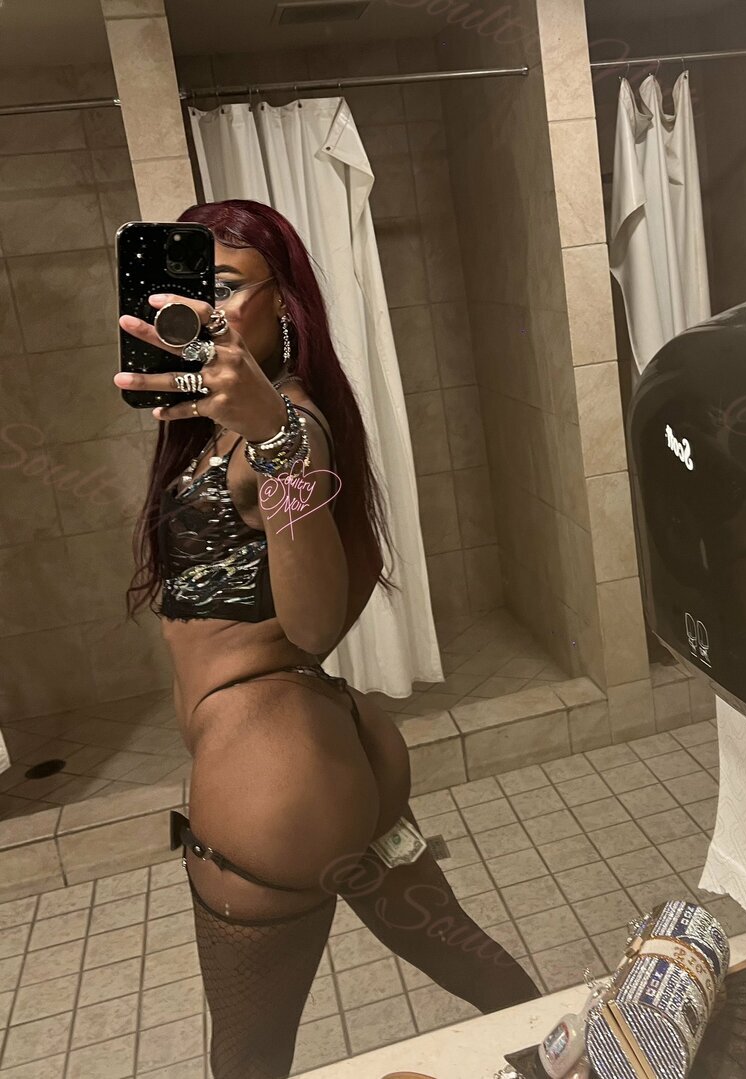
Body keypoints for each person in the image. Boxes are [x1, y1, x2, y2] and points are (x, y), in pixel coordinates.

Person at [120, 199, 541, 1078]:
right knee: (467, 958)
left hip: (275, 786)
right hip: (333, 758)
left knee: (247, 1058)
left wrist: (273, 435)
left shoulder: (288, 429)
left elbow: (311, 622)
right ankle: (571, 1053)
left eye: (228, 287)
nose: (205, 310)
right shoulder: (227, 425)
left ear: (286, 302)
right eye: (190, 290)